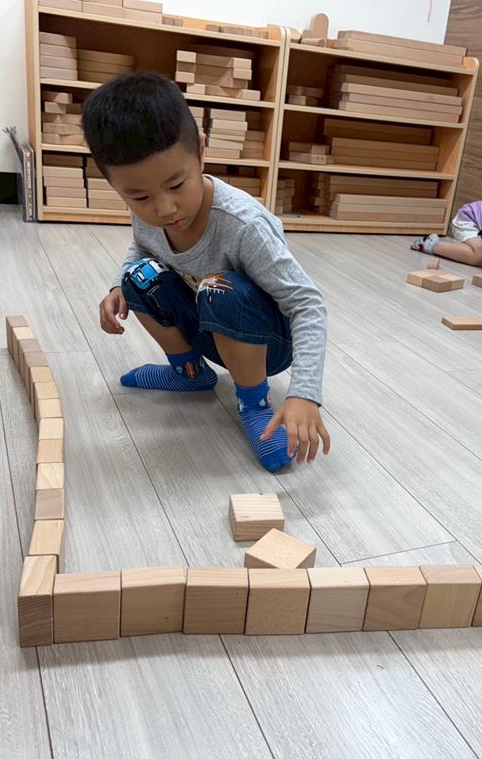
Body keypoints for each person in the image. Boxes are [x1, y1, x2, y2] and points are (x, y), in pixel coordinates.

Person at [84, 73, 330, 472]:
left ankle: (254, 402)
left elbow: (308, 305)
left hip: (267, 342)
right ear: (114, 184)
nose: (164, 209)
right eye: (139, 196)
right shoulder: (149, 212)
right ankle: (191, 373)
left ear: (200, 151)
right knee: (137, 277)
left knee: (219, 288)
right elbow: (144, 246)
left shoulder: (243, 224)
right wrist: (117, 286)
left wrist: (304, 394)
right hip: (210, 323)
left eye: (176, 185)